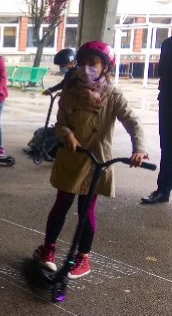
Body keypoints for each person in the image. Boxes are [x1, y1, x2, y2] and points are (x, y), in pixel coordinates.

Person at [34, 41, 147, 279]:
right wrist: (67, 135)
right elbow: (61, 123)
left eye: (93, 63)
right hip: (71, 157)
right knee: (61, 204)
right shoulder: (69, 91)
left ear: (105, 67)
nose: (86, 68)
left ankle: (83, 258)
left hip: (96, 160)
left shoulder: (113, 95)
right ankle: (48, 249)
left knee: (86, 211)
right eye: (82, 63)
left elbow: (132, 121)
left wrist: (139, 148)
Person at [142, 36, 172, 204]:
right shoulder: (168, 44)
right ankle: (163, 190)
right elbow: (162, 70)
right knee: (167, 147)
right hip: (168, 101)